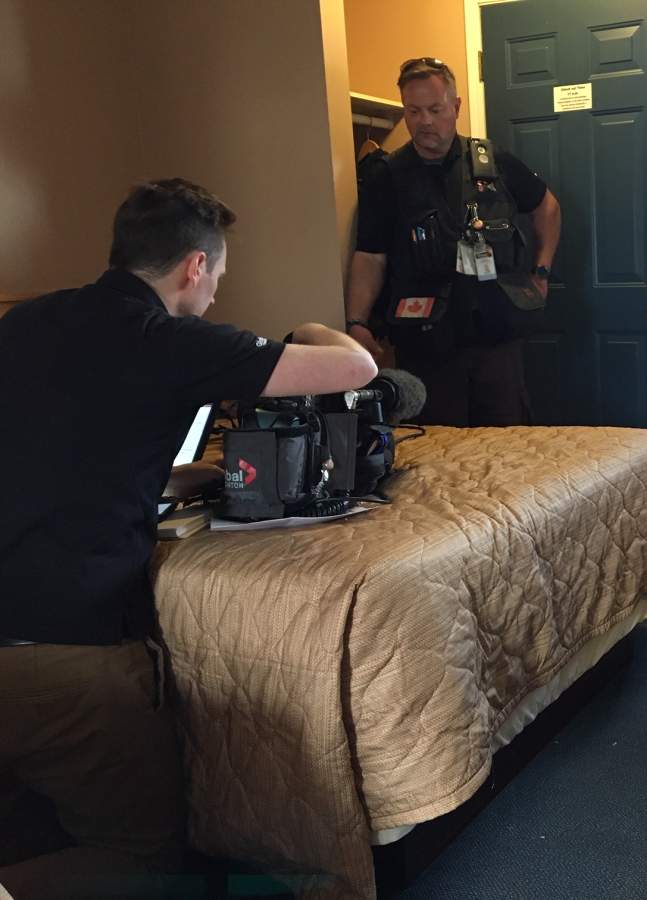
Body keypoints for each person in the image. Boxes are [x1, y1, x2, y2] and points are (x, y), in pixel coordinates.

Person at [0, 178, 377, 898]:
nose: (214, 296)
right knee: (146, 860)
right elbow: (357, 369)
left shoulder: (27, 321)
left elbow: (67, 441)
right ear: (194, 267)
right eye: (217, 277)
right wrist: (307, 331)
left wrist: (162, 480)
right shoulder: (171, 341)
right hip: (62, 649)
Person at [346, 56, 562, 426]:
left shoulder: (492, 163)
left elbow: (547, 206)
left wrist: (541, 271)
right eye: (413, 111)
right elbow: (370, 256)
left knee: (510, 449)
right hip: (426, 345)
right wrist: (357, 321)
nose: (424, 121)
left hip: (496, 336)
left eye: (435, 109)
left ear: (456, 107)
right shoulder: (387, 176)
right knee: (438, 452)